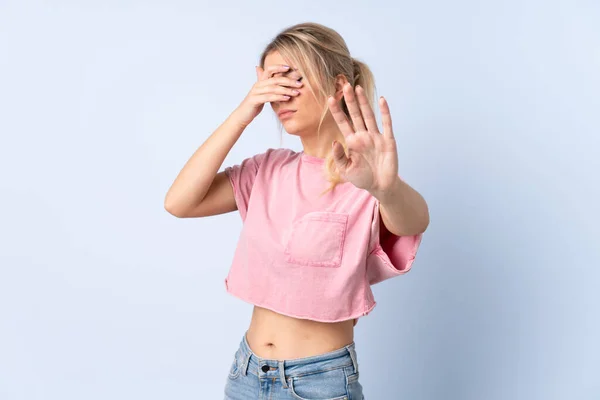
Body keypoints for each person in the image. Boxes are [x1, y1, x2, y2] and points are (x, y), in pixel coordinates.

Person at [164, 22, 429, 400]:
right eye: (272, 82)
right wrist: (244, 111)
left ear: (339, 86)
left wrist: (385, 189)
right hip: (246, 373)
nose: (279, 96)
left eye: (292, 79)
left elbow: (414, 221)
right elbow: (179, 203)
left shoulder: (369, 179)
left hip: (319, 382)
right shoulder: (267, 170)